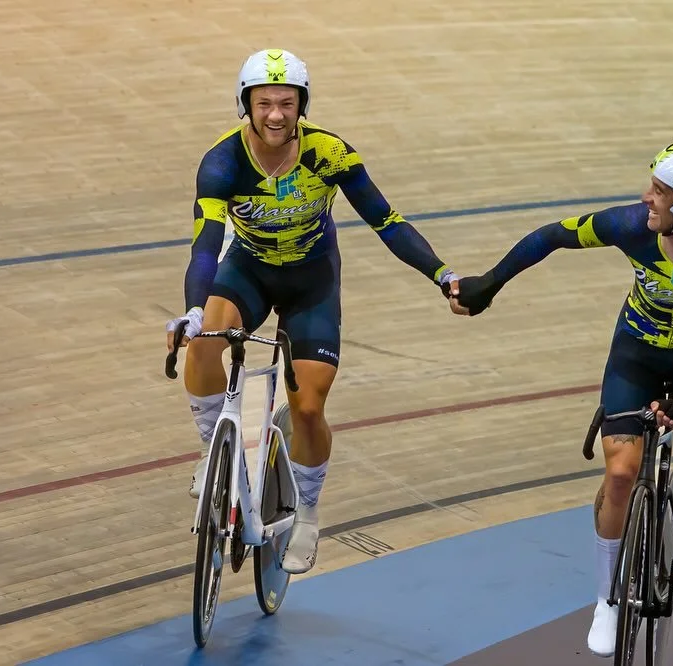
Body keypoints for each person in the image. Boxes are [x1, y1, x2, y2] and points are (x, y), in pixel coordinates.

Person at [165, 48, 468, 575]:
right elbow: (205, 246)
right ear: (246, 105)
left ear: (302, 104)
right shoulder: (221, 163)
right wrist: (193, 310)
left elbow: (387, 221)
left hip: (312, 281)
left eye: (287, 102)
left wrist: (441, 274)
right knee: (204, 342)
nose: (276, 114)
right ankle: (210, 453)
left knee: (307, 408)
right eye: (264, 103)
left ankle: (306, 511)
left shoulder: (330, 154)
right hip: (249, 270)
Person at [453, 142, 673, 657]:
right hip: (636, 352)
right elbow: (554, 236)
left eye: (661, 191)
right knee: (619, 474)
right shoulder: (630, 226)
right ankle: (605, 600)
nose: (647, 198)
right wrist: (490, 283)